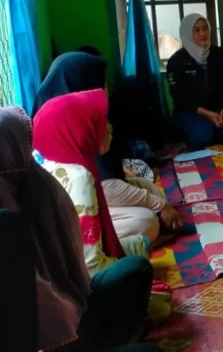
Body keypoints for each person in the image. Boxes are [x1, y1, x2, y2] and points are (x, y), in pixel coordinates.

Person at [0, 106, 157, 351]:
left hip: (70, 307)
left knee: (135, 267)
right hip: (53, 334)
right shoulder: (13, 219)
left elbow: (76, 266)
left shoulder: (39, 186)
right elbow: (86, 266)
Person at [32, 50, 183, 245]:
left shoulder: (79, 114)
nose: (105, 90)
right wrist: (160, 206)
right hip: (73, 213)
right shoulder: (70, 128)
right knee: (146, 221)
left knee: (147, 188)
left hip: (95, 193)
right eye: (101, 83)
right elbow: (106, 187)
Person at [167, 13, 223, 148]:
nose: (203, 33)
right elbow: (179, 96)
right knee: (202, 136)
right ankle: (207, 131)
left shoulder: (219, 55)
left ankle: (215, 129)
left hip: (218, 109)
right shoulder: (176, 61)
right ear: (187, 33)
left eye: (205, 28)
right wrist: (206, 114)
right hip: (192, 112)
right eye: (197, 30)